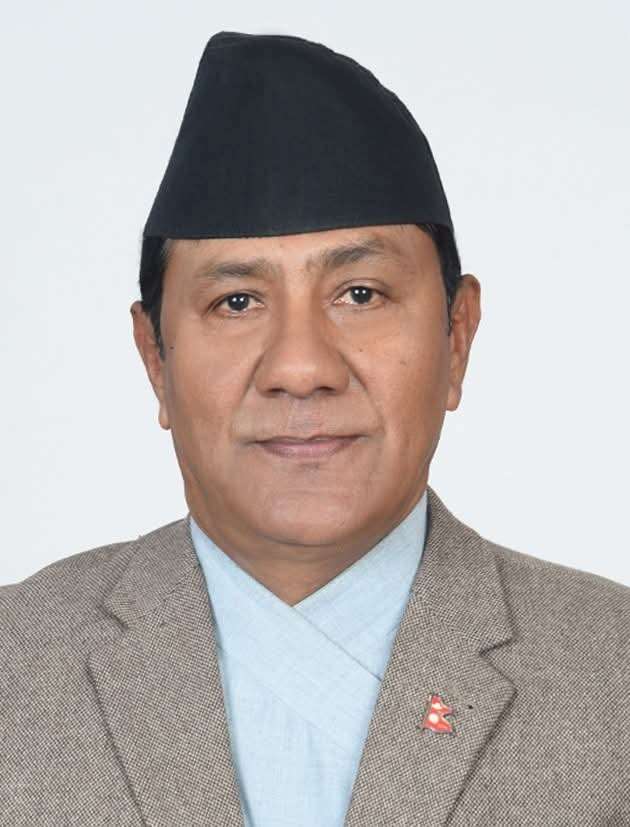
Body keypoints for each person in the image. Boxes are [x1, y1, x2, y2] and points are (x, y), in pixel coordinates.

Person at [1, 30, 628, 827]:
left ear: (457, 336)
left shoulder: (613, 677)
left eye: (360, 294)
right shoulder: (15, 669)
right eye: (236, 301)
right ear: (155, 357)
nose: (301, 367)